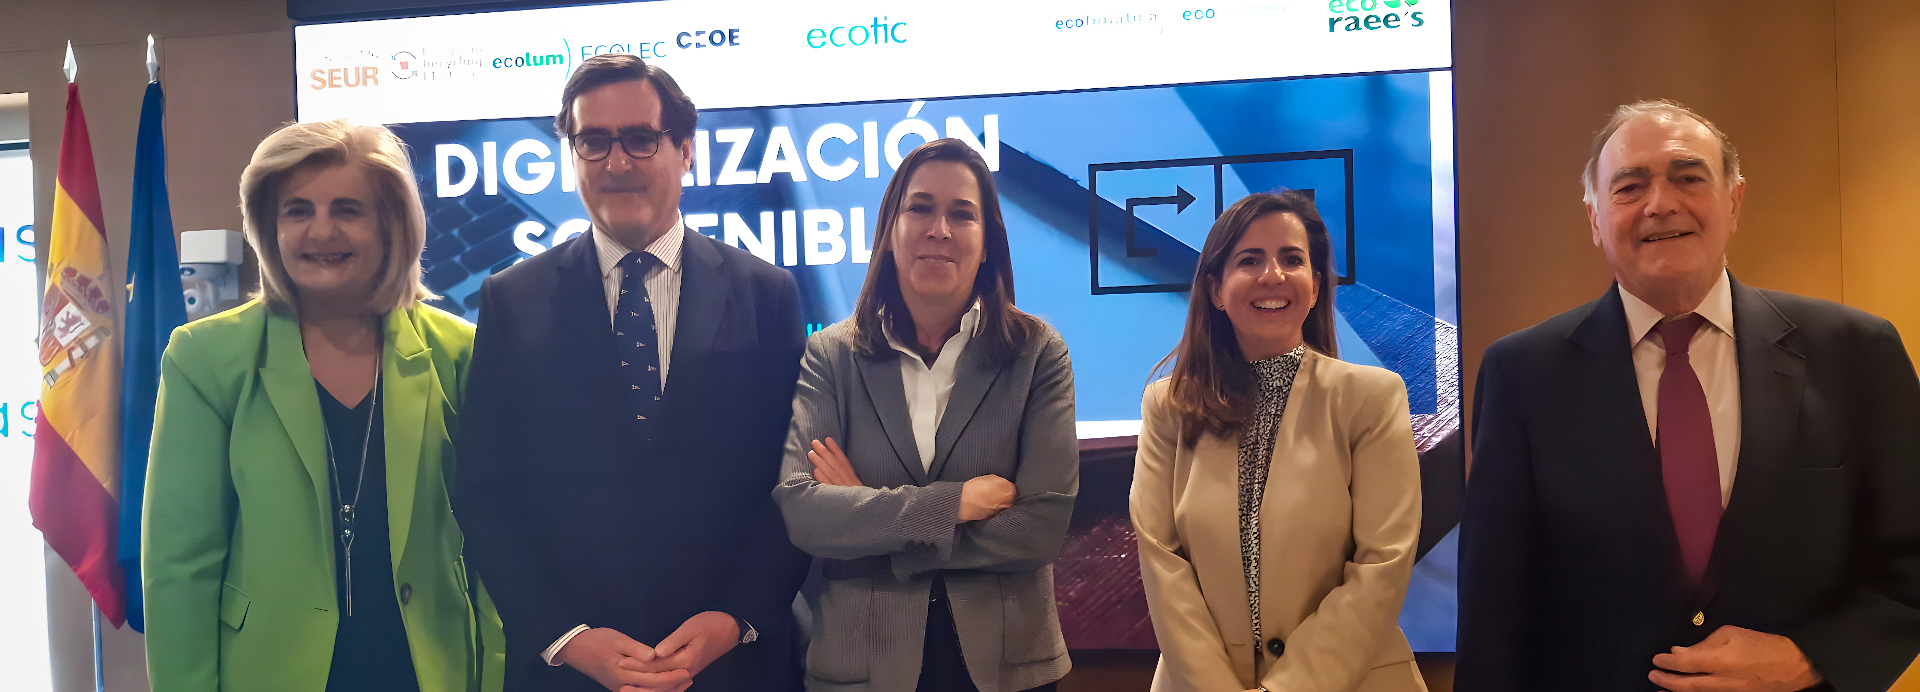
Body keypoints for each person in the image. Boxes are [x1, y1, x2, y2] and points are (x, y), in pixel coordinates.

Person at [1457, 99, 1920, 692]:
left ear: (1734, 201)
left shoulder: (1857, 353)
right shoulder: (1522, 374)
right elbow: (1494, 611)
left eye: (1688, 177)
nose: (1660, 203)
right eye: (1629, 187)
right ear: (1595, 219)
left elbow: (1911, 562)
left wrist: (1813, 657)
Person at [456, 53, 810, 692]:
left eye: (641, 139)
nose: (616, 163)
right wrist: (566, 636)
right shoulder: (512, 300)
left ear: (685, 150)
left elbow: (789, 481)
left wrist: (736, 618)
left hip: (730, 666)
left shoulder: (767, 293)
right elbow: (488, 489)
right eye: (592, 141)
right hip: (573, 672)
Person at [143, 119, 503, 692]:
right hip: (270, 670)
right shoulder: (206, 358)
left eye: (347, 209)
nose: (321, 230)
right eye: (297, 210)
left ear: (390, 224)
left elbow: (497, 552)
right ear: (270, 226)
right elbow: (180, 566)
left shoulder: (461, 353)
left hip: (429, 668)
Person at [772, 138, 1077, 692]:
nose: (939, 229)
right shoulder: (831, 356)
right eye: (920, 208)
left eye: (962, 214)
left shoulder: (1037, 353)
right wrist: (955, 504)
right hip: (863, 667)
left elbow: (1038, 530)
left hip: (1008, 668)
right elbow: (805, 514)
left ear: (987, 244)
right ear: (890, 231)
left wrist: (870, 517)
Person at [1131, 191, 1427, 692]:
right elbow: (1162, 562)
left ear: (1315, 287)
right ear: (1216, 289)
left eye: (1292, 259)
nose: (1273, 275)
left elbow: (1382, 564)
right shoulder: (1168, 405)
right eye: (1249, 260)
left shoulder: (1372, 398)